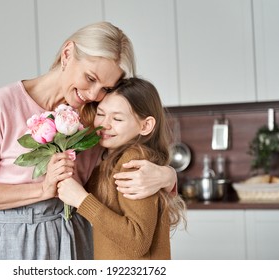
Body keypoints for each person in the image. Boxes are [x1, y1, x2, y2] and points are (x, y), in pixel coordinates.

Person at [0, 21, 177, 260]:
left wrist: (169, 176)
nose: (93, 94)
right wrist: (42, 190)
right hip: (16, 239)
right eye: (90, 78)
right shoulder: (3, 105)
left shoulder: (95, 114)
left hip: (76, 231)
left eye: (106, 88)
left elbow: (118, 166)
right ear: (67, 54)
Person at [57, 77, 186, 260]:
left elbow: (137, 241)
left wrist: (81, 200)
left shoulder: (133, 162)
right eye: (101, 114)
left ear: (146, 125)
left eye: (117, 118)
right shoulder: (106, 157)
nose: (104, 124)